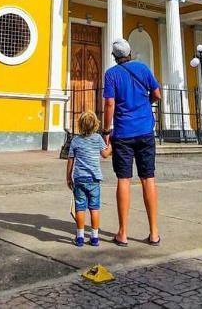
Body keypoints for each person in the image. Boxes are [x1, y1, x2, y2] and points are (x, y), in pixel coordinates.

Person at [102, 37, 161, 246]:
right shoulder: (143, 69)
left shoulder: (111, 74)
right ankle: (154, 233)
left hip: (123, 134)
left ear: (114, 57)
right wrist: (146, 104)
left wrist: (106, 129)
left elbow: (109, 104)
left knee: (124, 180)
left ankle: (123, 233)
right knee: (148, 179)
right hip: (145, 131)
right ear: (130, 52)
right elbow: (157, 94)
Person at [66, 110, 112, 247]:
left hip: (79, 179)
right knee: (94, 208)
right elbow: (105, 154)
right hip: (94, 179)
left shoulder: (75, 140)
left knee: (80, 207)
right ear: (96, 125)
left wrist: (68, 177)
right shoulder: (98, 139)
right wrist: (112, 145)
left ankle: (80, 236)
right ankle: (94, 237)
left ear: (80, 125)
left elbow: (70, 160)